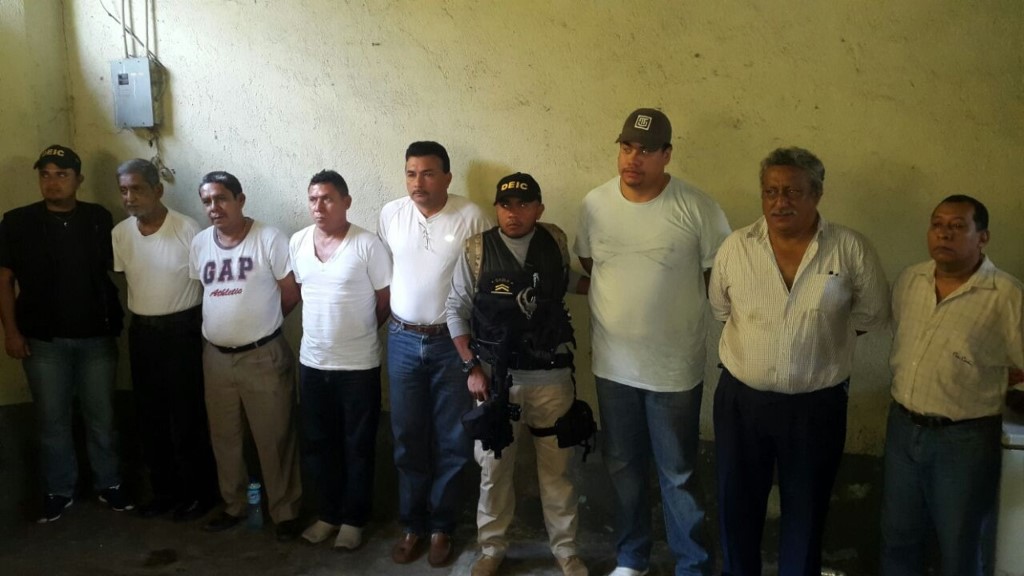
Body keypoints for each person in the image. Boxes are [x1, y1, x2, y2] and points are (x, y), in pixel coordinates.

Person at [708, 147, 889, 576]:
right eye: (770, 191)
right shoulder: (736, 247)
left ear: (817, 194)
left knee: (806, 513)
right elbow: (720, 308)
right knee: (737, 508)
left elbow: (872, 314)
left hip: (815, 406)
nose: (779, 201)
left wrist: (813, 343)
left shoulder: (849, 249)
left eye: (792, 191)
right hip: (741, 403)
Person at [574, 109, 731, 576]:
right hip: (613, 365)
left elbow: (718, 278)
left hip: (673, 369)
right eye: (626, 147)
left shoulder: (697, 207)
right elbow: (588, 263)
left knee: (678, 473)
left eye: (645, 150)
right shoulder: (595, 204)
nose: (633, 159)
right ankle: (631, 559)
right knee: (622, 466)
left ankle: (692, 566)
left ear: (666, 155)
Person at [446, 173, 588, 576]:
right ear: (497, 209)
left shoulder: (554, 242)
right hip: (495, 382)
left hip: (552, 380)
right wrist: (471, 368)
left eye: (524, 204)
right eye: (506, 205)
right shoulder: (477, 249)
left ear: (539, 209)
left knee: (559, 472)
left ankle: (566, 551)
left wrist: (613, 285)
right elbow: (454, 309)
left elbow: (569, 282)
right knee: (494, 471)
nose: (514, 212)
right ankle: (491, 548)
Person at [880, 195, 1023, 576]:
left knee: (960, 548)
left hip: (964, 442)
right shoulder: (911, 280)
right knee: (897, 539)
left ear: (983, 237)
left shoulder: (1007, 296)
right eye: (937, 224)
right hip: (903, 429)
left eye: (958, 226)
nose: (944, 233)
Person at [0, 145, 132, 523]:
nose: (52, 181)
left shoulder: (97, 218)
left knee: (102, 417)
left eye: (61, 174)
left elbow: (119, 268)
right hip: (44, 343)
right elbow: (4, 279)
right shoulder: (17, 222)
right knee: (52, 420)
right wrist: (11, 332)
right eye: (45, 174)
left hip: (96, 339)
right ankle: (59, 490)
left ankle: (110, 485)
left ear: (78, 180)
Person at [378, 141, 492, 567]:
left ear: (447, 177)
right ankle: (413, 525)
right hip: (403, 339)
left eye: (427, 174)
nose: (417, 183)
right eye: (410, 173)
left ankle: (443, 526)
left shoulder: (472, 217)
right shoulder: (391, 214)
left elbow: (480, 284)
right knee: (407, 437)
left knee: (452, 438)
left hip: (451, 344)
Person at [189, 171, 303, 541]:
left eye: (221, 198)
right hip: (217, 359)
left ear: (240, 200)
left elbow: (290, 292)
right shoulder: (201, 243)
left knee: (274, 437)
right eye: (207, 201)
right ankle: (234, 505)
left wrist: (263, 325)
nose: (213, 208)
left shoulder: (268, 238)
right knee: (225, 438)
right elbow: (201, 292)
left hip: (262, 356)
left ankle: (285, 512)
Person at [289, 170, 392, 549]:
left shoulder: (367, 245)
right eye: (313, 199)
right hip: (313, 364)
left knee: (358, 445)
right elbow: (303, 291)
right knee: (318, 444)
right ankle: (327, 515)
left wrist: (359, 332)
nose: (319, 207)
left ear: (346, 202)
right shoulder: (299, 242)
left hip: (357, 366)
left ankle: (354, 519)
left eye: (328, 198)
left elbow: (385, 301)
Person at [112, 158, 218, 521]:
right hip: (143, 333)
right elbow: (131, 280)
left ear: (158, 190)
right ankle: (165, 492)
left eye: (137, 188)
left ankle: (200, 494)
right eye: (124, 190)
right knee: (150, 418)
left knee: (187, 416)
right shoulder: (120, 234)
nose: (130, 197)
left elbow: (204, 284)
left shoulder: (187, 229)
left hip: (182, 332)